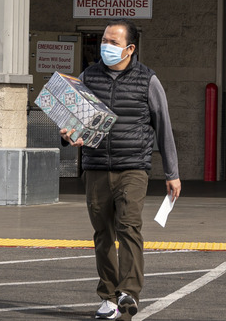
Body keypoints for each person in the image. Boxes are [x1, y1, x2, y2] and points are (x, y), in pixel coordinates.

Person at [63, 22, 180, 321]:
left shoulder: (147, 80)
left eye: (113, 42)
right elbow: (75, 121)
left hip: (133, 167)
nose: (106, 46)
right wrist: (67, 135)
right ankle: (108, 297)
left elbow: (163, 125)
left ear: (130, 48)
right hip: (97, 166)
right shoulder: (88, 76)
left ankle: (129, 292)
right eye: (104, 40)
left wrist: (172, 172)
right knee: (103, 233)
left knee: (129, 228)